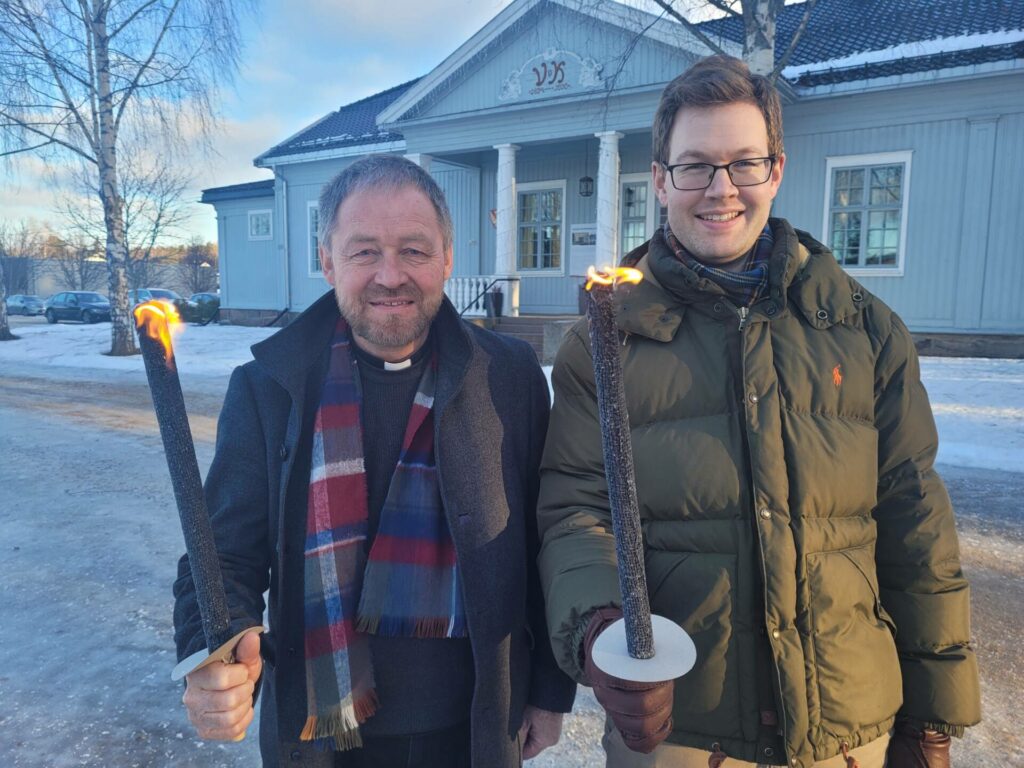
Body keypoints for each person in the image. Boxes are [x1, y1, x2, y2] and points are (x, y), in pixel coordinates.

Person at [537, 56, 980, 768]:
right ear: (659, 179)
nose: (720, 190)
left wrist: (933, 717)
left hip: (849, 727)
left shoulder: (864, 330)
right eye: (694, 167)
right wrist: (601, 630)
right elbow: (578, 511)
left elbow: (915, 521)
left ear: (776, 170)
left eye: (744, 164)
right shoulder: (606, 343)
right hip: (684, 729)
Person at [174, 154, 575, 768]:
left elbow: (544, 543)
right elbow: (222, 552)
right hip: (321, 735)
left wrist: (549, 691)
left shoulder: (509, 377)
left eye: (414, 250)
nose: (391, 275)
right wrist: (214, 655)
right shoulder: (269, 387)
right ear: (328, 259)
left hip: (473, 729)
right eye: (364, 252)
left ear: (447, 257)